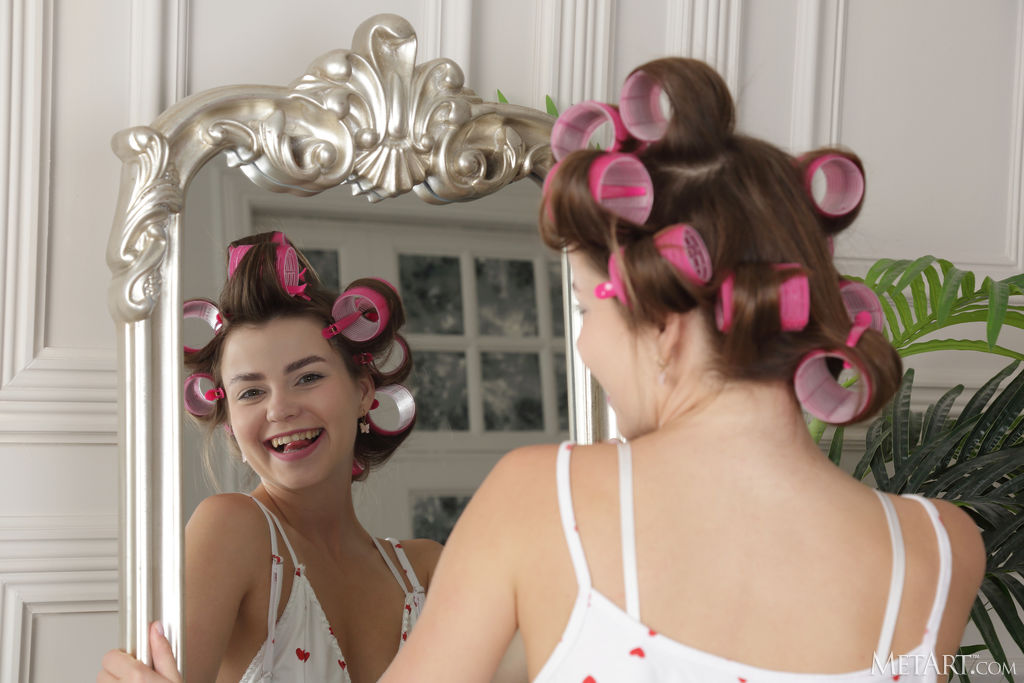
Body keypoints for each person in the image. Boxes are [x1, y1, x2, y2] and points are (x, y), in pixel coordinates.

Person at [377, 58, 987, 682]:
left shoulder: (541, 498)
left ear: (665, 322)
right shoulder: (940, 547)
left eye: (587, 307)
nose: (584, 346)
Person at [98, 231, 442, 682]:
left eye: (308, 377)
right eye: (252, 391)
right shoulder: (233, 530)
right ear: (231, 428)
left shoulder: (426, 572)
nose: (279, 408)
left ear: (362, 393)